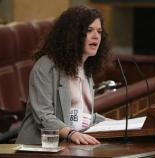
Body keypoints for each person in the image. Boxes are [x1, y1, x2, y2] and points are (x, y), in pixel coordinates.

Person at [16, 5, 110, 145]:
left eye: (99, 31)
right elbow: (43, 115)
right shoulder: (46, 66)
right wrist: (71, 134)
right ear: (72, 34)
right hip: (40, 148)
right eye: (89, 30)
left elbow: (82, 115)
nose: (96, 36)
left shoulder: (86, 69)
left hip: (70, 146)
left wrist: (122, 125)